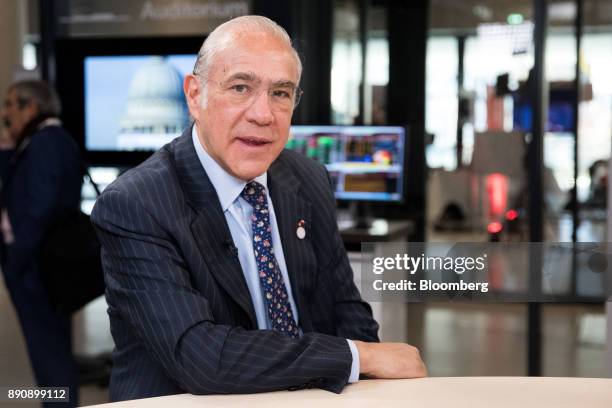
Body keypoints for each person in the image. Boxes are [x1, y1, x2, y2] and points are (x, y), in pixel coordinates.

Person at [91, 15, 426, 401]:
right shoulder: (135, 204)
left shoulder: (307, 178)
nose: (263, 115)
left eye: (281, 93)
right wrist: (359, 356)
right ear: (194, 95)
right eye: (240, 87)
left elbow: (346, 310)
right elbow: (201, 359)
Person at [0, 80, 81, 407]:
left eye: (11, 106)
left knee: (50, 355)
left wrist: (17, 259)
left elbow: (39, 207)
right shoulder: (40, 140)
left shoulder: (47, 142)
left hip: (38, 267)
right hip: (36, 264)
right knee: (46, 353)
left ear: (31, 107)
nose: (6, 114)